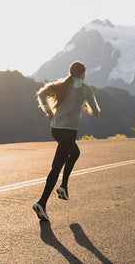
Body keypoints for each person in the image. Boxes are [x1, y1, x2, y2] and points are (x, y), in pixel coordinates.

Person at [32, 61, 100, 221]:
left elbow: (41, 94)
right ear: (83, 74)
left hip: (55, 130)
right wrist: (85, 109)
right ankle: (41, 203)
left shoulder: (61, 84)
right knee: (56, 167)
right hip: (68, 133)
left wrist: (49, 111)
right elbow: (96, 112)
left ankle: (63, 186)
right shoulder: (84, 89)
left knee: (75, 153)